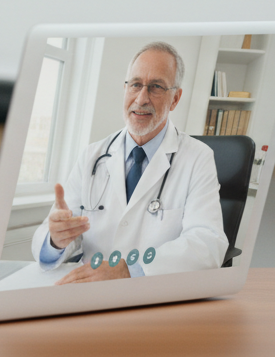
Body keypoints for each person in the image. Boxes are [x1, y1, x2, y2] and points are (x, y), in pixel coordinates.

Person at [31, 42, 227, 283]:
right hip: (89, 290)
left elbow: (208, 243)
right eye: (135, 85)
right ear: (125, 89)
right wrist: (56, 240)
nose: (141, 98)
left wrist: (130, 271)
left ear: (175, 98)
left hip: (151, 291)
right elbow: (53, 238)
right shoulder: (92, 156)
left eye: (156, 87)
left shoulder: (198, 158)